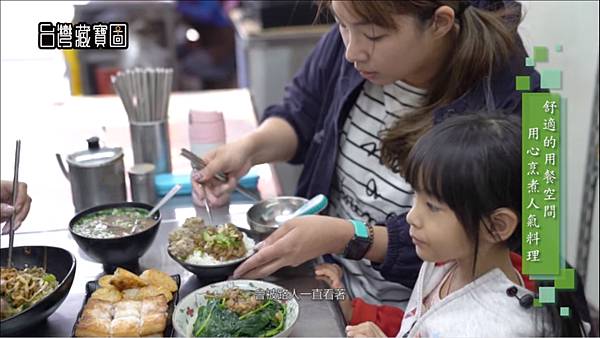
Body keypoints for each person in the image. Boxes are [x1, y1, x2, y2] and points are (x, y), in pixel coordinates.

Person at [192, 0, 542, 314]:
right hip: (332, 287)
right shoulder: (357, 33)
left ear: (439, 22)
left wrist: (351, 237)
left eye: (374, 36)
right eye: (342, 25)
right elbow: (300, 114)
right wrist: (248, 150)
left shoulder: (517, 104)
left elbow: (510, 244)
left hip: (418, 314)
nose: (352, 52)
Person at [342, 114, 587, 337]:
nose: (412, 217)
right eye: (416, 197)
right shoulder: (444, 262)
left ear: (496, 226)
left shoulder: (501, 329)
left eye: (433, 207)